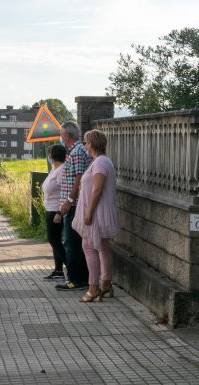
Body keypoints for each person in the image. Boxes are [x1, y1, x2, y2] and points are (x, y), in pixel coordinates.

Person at [73, 130, 119, 302]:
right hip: (100, 211)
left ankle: (93, 288)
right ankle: (106, 284)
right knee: (102, 247)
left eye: (86, 142)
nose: (84, 145)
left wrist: (89, 212)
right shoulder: (102, 161)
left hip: (97, 212)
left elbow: (97, 189)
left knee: (89, 247)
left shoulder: (100, 163)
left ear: (91, 144)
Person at [56, 121, 91, 291]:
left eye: (61, 134)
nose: (60, 137)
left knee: (71, 243)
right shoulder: (76, 150)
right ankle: (81, 278)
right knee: (76, 243)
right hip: (73, 204)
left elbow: (79, 177)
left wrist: (69, 201)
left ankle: (75, 280)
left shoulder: (76, 152)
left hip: (74, 205)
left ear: (67, 136)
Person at [41, 144, 67, 280]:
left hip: (56, 210)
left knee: (54, 240)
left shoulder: (61, 170)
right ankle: (58, 270)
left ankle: (71, 266)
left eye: (49, 154)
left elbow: (65, 190)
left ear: (52, 156)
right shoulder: (55, 170)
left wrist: (59, 212)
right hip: (50, 208)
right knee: (55, 240)